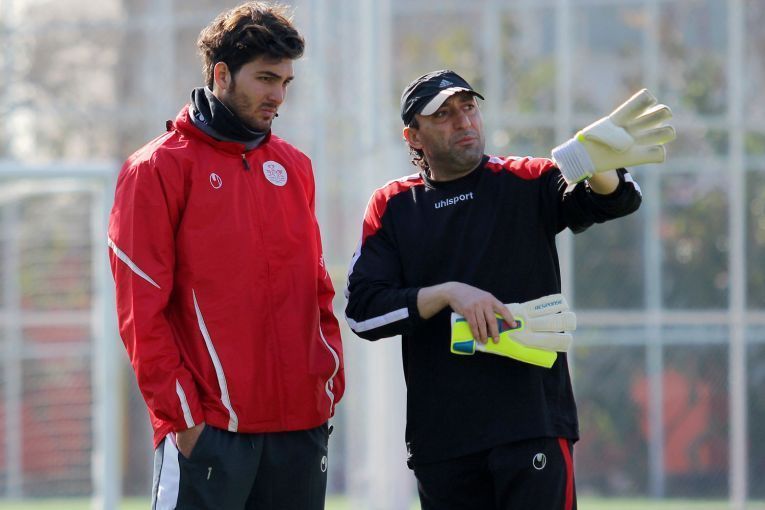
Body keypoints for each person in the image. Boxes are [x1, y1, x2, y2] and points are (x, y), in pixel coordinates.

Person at [345, 69, 674, 510]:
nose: (463, 121)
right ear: (413, 136)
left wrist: (599, 168)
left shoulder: (525, 179)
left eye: (468, 107)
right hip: (442, 442)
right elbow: (363, 312)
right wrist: (448, 293)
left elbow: (614, 200)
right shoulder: (393, 205)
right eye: (442, 114)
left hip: (531, 426)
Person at [107, 3, 344, 509]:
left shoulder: (295, 167)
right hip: (210, 433)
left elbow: (317, 288)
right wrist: (185, 420)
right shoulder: (156, 169)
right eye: (265, 79)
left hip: (300, 430)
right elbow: (140, 314)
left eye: (286, 82)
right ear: (221, 74)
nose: (278, 96)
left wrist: (326, 387)